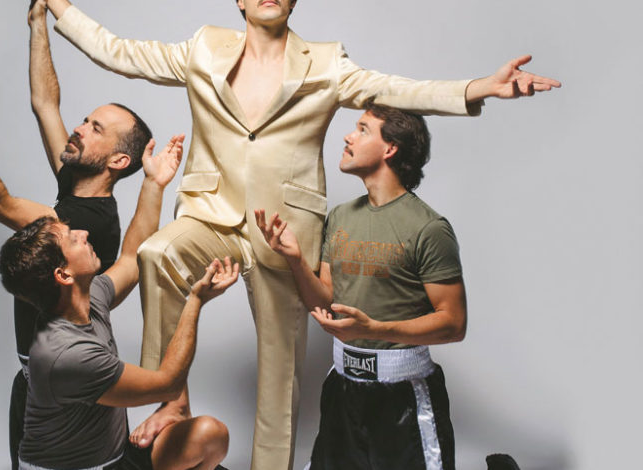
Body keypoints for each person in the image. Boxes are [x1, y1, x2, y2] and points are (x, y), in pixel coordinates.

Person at [40, 1, 560, 468]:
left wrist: (479, 87)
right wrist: (59, 7)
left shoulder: (327, 62)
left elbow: (396, 89)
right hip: (211, 213)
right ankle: (171, 402)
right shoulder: (203, 47)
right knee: (158, 254)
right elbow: (120, 52)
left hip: (284, 231)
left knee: (280, 375)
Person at [0, 2, 183, 466]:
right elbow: (45, 104)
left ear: (118, 161)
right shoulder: (77, 183)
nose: (78, 129)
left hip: (57, 384)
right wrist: (38, 23)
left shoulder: (80, 223)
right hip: (49, 378)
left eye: (94, 129)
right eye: (85, 120)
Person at [255, 104, 466, 469]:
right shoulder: (340, 217)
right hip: (342, 387)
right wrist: (294, 260)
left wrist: (375, 329)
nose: (348, 137)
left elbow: (453, 324)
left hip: (403, 395)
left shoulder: (429, 228)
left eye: (363, 129)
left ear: (390, 148)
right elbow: (326, 302)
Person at [0, 216, 237, 469]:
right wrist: (196, 300)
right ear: (64, 274)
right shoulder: (67, 355)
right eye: (72, 239)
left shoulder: (86, 299)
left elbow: (131, 258)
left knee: (210, 435)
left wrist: (154, 190)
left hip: (114, 459)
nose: (84, 232)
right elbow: (169, 385)